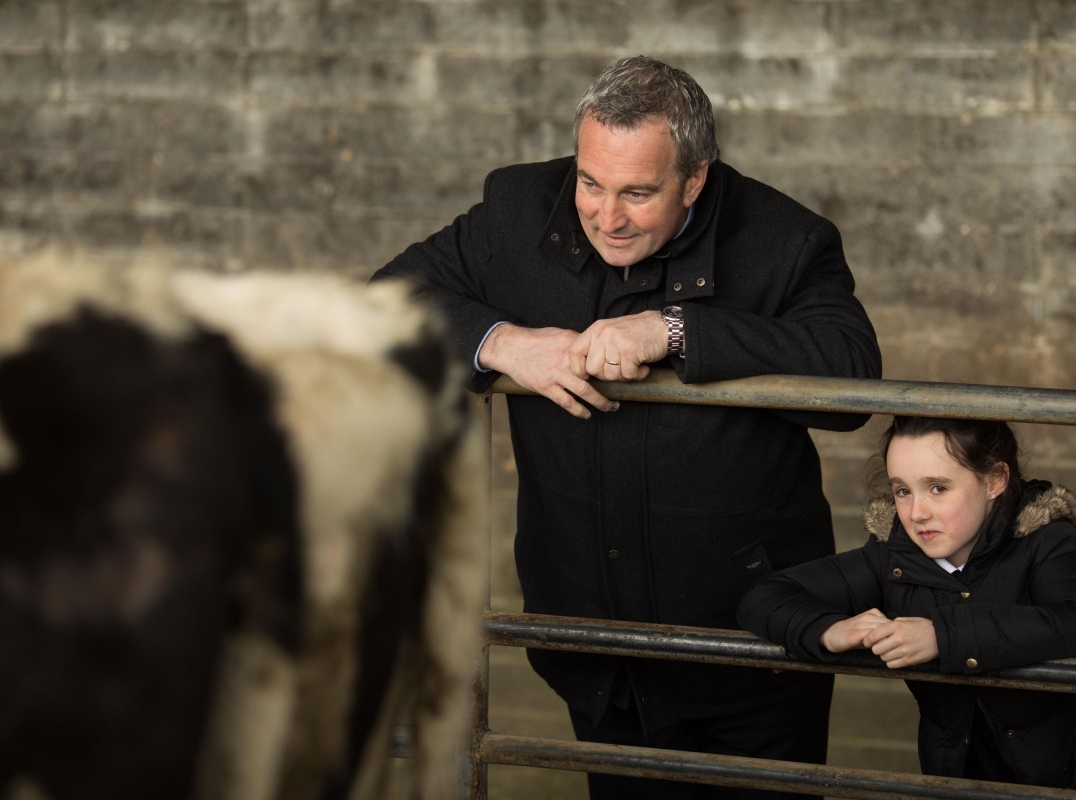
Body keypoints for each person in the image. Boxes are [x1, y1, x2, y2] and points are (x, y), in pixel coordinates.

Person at [372, 55, 882, 798]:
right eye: (591, 183)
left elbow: (851, 369)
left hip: (754, 646)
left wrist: (677, 330)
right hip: (593, 644)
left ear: (695, 179)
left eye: (638, 193)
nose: (606, 217)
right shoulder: (518, 209)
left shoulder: (784, 239)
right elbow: (388, 299)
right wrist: (504, 343)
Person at [737, 416, 1076, 797]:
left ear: (995, 480)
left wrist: (942, 635)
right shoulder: (891, 558)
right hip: (961, 780)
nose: (916, 512)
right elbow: (764, 595)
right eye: (902, 491)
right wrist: (827, 629)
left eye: (938, 488)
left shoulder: (1045, 542)